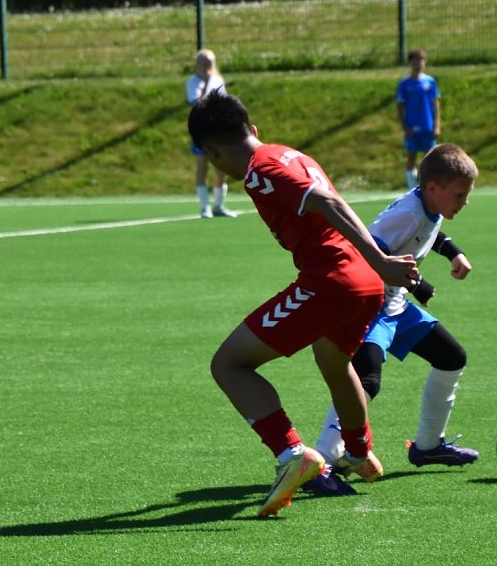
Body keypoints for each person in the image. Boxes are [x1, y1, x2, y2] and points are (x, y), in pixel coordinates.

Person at [187, 92, 419, 517]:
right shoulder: (287, 153)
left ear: (213, 153)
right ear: (253, 131)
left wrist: (381, 260)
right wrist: (375, 267)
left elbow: (327, 203)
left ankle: (291, 454)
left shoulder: (260, 171)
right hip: (362, 284)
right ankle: (359, 452)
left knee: (229, 364)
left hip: (334, 280)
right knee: (334, 363)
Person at [305, 143, 479, 496]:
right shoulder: (408, 212)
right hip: (370, 306)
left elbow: (433, 231)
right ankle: (321, 462)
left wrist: (453, 253)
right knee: (366, 383)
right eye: (460, 195)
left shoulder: (429, 206)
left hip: (395, 306)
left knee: (451, 358)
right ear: (434, 188)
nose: (465, 202)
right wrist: (417, 283)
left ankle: (428, 446)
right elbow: (365, 249)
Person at [186, 49, 236, 218]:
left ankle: (219, 206)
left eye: (209, 63)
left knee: (221, 167)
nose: (206, 67)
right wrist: (206, 84)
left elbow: (223, 103)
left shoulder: (218, 80)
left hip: (218, 131)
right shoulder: (192, 82)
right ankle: (204, 207)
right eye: (203, 63)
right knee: (202, 167)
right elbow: (197, 103)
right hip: (202, 131)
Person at [396, 48, 441, 190]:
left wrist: (437, 125)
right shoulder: (404, 84)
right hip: (412, 127)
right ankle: (412, 188)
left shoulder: (430, 82)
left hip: (428, 126)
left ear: (425, 62)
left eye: (421, 61)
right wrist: (404, 126)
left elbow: (436, 105)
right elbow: (400, 106)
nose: (418, 64)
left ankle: (428, 187)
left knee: (430, 158)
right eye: (415, 61)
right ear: (410, 63)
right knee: (411, 157)